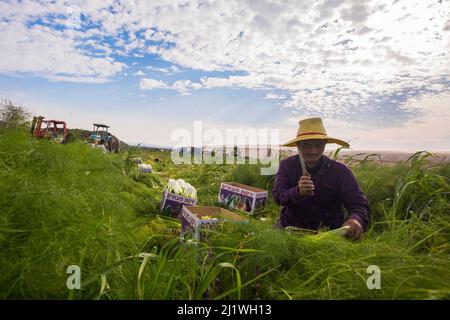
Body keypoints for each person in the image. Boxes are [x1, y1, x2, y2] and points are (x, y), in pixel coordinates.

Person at [272, 117, 370, 240]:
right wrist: (298, 192)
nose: (313, 151)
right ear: (298, 145)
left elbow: (359, 204)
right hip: (288, 229)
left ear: (324, 145)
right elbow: (278, 196)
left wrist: (355, 219)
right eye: (307, 146)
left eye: (318, 145)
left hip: (328, 235)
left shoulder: (340, 171)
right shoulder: (287, 165)